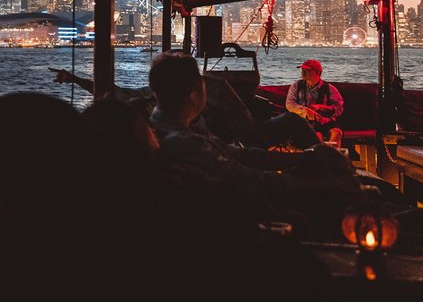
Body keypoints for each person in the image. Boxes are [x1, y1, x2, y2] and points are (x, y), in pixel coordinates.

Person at [145, 51, 361, 238]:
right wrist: (322, 183)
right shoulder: (183, 143)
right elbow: (249, 180)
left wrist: (308, 157)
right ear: (194, 96)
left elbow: (240, 155)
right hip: (231, 217)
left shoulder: (183, 127)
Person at [49, 66, 263, 145]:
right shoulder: (186, 140)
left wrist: (74, 80)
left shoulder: (157, 101)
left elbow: (119, 94)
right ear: (194, 96)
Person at [261, 59, 344, 149]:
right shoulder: (297, 86)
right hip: (305, 122)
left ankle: (334, 157)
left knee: (336, 133)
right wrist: (305, 111)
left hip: (325, 120)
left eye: (307, 70)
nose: (303, 72)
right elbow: (290, 104)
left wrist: (321, 107)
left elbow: (339, 108)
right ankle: (320, 157)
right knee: (316, 135)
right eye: (302, 70)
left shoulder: (329, 89)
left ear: (318, 73)